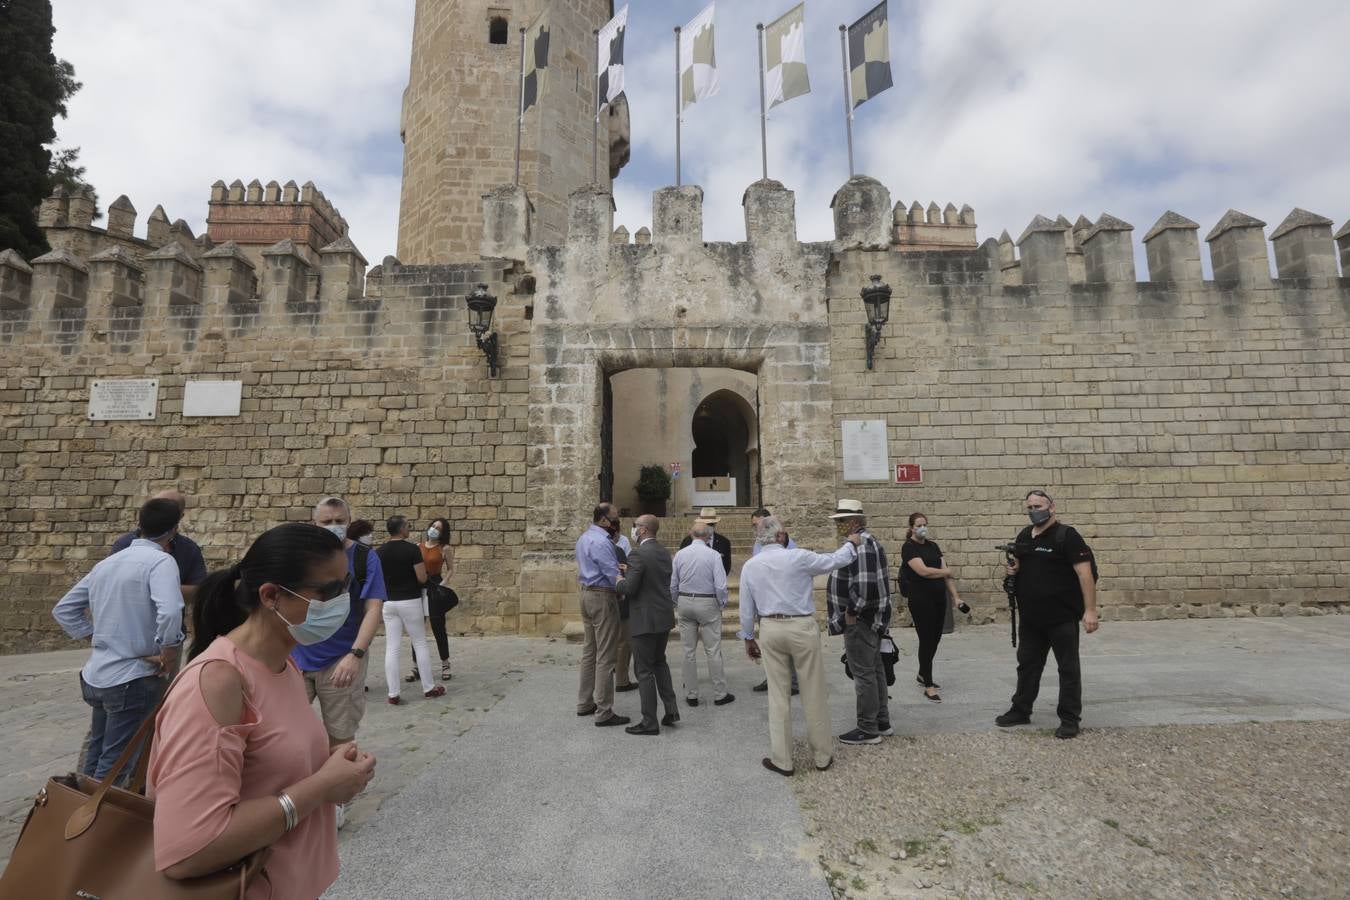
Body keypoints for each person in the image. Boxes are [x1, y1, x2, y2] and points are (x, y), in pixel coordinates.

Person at [147, 523, 376, 898]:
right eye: (330, 590)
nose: (343, 600)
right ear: (271, 596)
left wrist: (333, 767)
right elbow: (188, 849)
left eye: (347, 585)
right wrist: (320, 788)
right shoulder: (217, 682)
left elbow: (266, 769)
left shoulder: (284, 665)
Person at [54, 498, 185, 784]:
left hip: (98, 675)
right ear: (174, 530)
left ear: (139, 524)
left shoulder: (107, 564)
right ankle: (95, 823)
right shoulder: (161, 561)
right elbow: (171, 610)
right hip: (131, 677)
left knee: (97, 754)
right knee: (115, 766)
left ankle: (77, 811)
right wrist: (169, 651)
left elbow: (64, 610)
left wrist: (96, 636)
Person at [739, 515, 861, 776]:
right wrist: (851, 544)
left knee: (778, 694)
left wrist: (748, 637)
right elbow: (834, 560)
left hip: (770, 627)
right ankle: (822, 756)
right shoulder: (799, 557)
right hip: (801, 626)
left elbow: (746, 608)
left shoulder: (751, 565)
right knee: (813, 690)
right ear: (781, 536)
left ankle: (783, 760)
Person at [291, 497, 385, 831]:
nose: (334, 526)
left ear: (349, 519)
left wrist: (355, 655)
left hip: (341, 659)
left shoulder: (363, 558)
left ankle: (337, 802)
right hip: (296, 659)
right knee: (286, 733)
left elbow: (374, 608)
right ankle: (295, 796)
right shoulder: (300, 557)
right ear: (315, 523)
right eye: (327, 521)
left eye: (340, 520)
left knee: (340, 735)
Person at [996, 490, 1099, 739]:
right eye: (1030, 507)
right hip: (1031, 618)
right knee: (1028, 666)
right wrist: (1014, 570)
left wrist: (1090, 611)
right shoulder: (1024, 535)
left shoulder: (1067, 536)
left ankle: (1069, 719)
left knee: (1068, 669)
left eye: (1038, 506)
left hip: (1061, 617)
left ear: (1052, 507)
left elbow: (1085, 575)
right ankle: (1021, 710)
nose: (1034, 511)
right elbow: (1021, 564)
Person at [826, 499, 894, 746]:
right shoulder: (870, 541)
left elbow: (864, 585)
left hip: (861, 620)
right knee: (875, 670)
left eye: (841, 522)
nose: (838, 527)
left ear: (853, 522)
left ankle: (867, 728)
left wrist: (851, 611)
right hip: (872, 618)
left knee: (863, 674)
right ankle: (882, 721)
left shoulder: (861, 545)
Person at [617, 515, 679, 735]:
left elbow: (630, 588)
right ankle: (671, 709)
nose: (633, 530)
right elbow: (652, 578)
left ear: (642, 530)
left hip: (644, 618)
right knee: (660, 662)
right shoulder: (663, 551)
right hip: (662, 615)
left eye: (635, 526)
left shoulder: (637, 553)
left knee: (643, 670)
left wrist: (619, 580)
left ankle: (649, 721)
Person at [900, 512, 967, 703]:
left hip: (939, 599)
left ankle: (922, 673)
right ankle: (928, 685)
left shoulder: (933, 546)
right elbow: (923, 571)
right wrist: (945, 571)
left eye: (925, 524)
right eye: (919, 525)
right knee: (926, 640)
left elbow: (946, 576)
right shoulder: (909, 548)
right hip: (921, 601)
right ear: (911, 527)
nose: (922, 528)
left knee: (935, 639)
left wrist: (956, 598)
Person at [377, 516, 445, 704]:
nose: (409, 528)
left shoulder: (380, 551)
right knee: (420, 643)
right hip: (410, 600)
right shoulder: (412, 549)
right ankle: (428, 687)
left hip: (389, 603)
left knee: (392, 647)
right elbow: (422, 577)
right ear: (400, 529)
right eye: (407, 525)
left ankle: (393, 693)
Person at [574, 503, 630, 727]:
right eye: (615, 518)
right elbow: (611, 573)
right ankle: (604, 710)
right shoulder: (602, 542)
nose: (617, 522)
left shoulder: (584, 538)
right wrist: (624, 591)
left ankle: (584, 702)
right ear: (605, 520)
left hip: (586, 594)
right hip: (602, 596)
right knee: (606, 655)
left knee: (590, 650)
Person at [670, 522, 733, 707]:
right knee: (713, 650)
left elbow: (673, 582)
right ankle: (720, 693)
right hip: (707, 601)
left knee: (688, 650)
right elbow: (720, 585)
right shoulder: (713, 555)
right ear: (707, 536)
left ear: (691, 534)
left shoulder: (680, 554)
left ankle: (691, 694)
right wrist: (721, 603)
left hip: (685, 600)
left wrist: (676, 601)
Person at [109, 489, 208, 608]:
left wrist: (159, 588)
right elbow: (110, 586)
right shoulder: (123, 544)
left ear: (180, 517)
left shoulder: (189, 549)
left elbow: (199, 591)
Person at [750, 508, 796, 694]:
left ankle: (793, 682)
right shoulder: (758, 543)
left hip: (783, 603)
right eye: (754, 525)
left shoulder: (788, 544)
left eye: (759, 523)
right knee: (769, 646)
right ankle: (772, 678)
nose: (757, 527)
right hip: (765, 603)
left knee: (789, 647)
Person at [413, 516, 455, 682]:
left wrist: (443, 585)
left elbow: (451, 569)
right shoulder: (418, 547)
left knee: (438, 626)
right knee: (417, 626)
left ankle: (445, 663)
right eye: (433, 526)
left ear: (443, 533)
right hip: (418, 586)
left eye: (438, 528)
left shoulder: (445, 548)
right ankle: (415, 666)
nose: (434, 530)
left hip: (435, 585)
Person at [611, 518, 637, 693]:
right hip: (618, 601)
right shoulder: (617, 550)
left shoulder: (588, 545)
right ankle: (621, 680)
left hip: (594, 599)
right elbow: (624, 579)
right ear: (616, 533)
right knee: (623, 643)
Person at [678, 507, 731, 575]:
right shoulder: (687, 541)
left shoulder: (724, 542)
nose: (708, 526)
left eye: (711, 524)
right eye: (705, 523)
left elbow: (726, 567)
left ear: (715, 524)